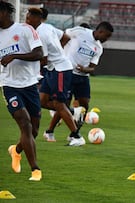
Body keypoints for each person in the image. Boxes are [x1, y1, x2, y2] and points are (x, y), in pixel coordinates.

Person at [43, 21, 113, 142]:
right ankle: (50, 131)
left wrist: (86, 69)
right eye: (106, 36)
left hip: (83, 78)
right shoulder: (80, 32)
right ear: (100, 31)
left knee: (84, 105)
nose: (106, 39)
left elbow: (93, 67)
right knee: (64, 104)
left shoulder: (99, 48)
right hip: (68, 74)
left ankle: (73, 134)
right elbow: (63, 36)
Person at [26, 7, 85, 146]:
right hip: (54, 68)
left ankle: (77, 137)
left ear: (37, 19)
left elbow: (43, 59)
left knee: (59, 104)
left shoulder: (41, 34)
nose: (26, 21)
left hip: (60, 70)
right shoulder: (48, 27)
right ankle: (72, 111)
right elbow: (65, 37)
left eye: (29, 19)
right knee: (41, 100)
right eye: (26, 18)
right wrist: (58, 51)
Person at [0, 1, 43, 181]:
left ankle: (16, 150)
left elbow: (39, 53)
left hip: (30, 85)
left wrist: (14, 55)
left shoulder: (25, 29)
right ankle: (35, 169)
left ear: (3, 12)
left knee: (33, 131)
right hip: (9, 85)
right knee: (24, 123)